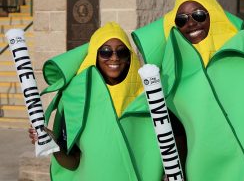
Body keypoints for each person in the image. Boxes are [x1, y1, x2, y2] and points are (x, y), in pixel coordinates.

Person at [132, 0, 244, 180]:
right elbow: (178, 135)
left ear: (212, 13)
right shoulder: (174, 75)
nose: (191, 23)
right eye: (181, 20)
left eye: (198, 15)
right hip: (201, 174)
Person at [29, 22, 163, 180]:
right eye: (105, 52)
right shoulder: (76, 100)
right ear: (95, 56)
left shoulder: (150, 98)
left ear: (129, 58)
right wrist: (53, 145)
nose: (114, 57)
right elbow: (73, 162)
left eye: (122, 52)